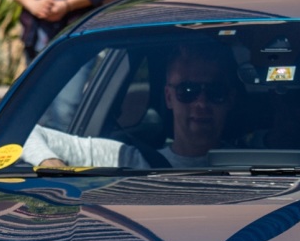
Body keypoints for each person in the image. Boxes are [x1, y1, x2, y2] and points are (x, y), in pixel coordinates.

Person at [23, 43, 237, 168]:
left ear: (230, 98)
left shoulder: (259, 165)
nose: (201, 103)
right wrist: (50, 163)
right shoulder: (128, 159)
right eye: (187, 91)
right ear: (169, 97)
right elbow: (23, 132)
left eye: (215, 92)